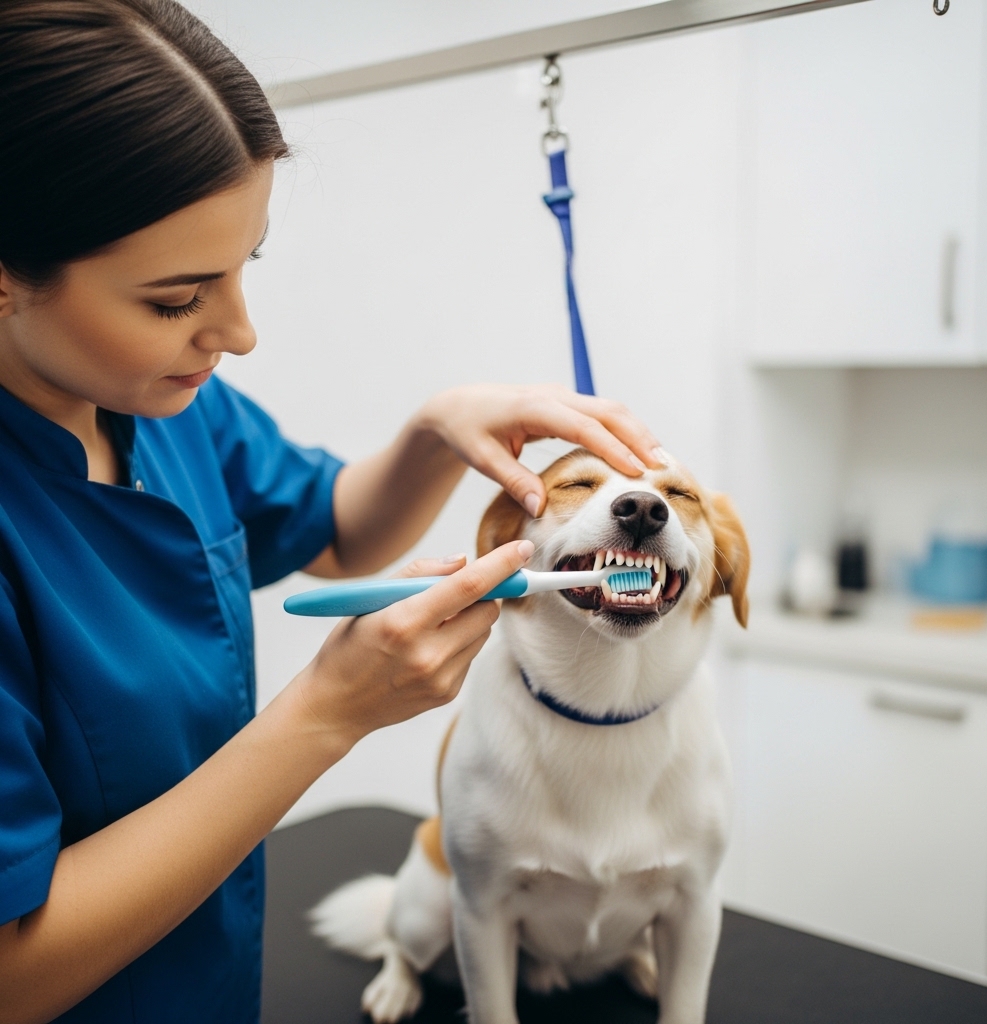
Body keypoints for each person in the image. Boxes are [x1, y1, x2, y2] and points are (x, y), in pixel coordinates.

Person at [0, 2, 665, 1021]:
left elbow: (338, 530)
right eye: (177, 300)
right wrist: (327, 714)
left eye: (247, 266)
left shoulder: (166, 407)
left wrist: (436, 431)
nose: (239, 332)